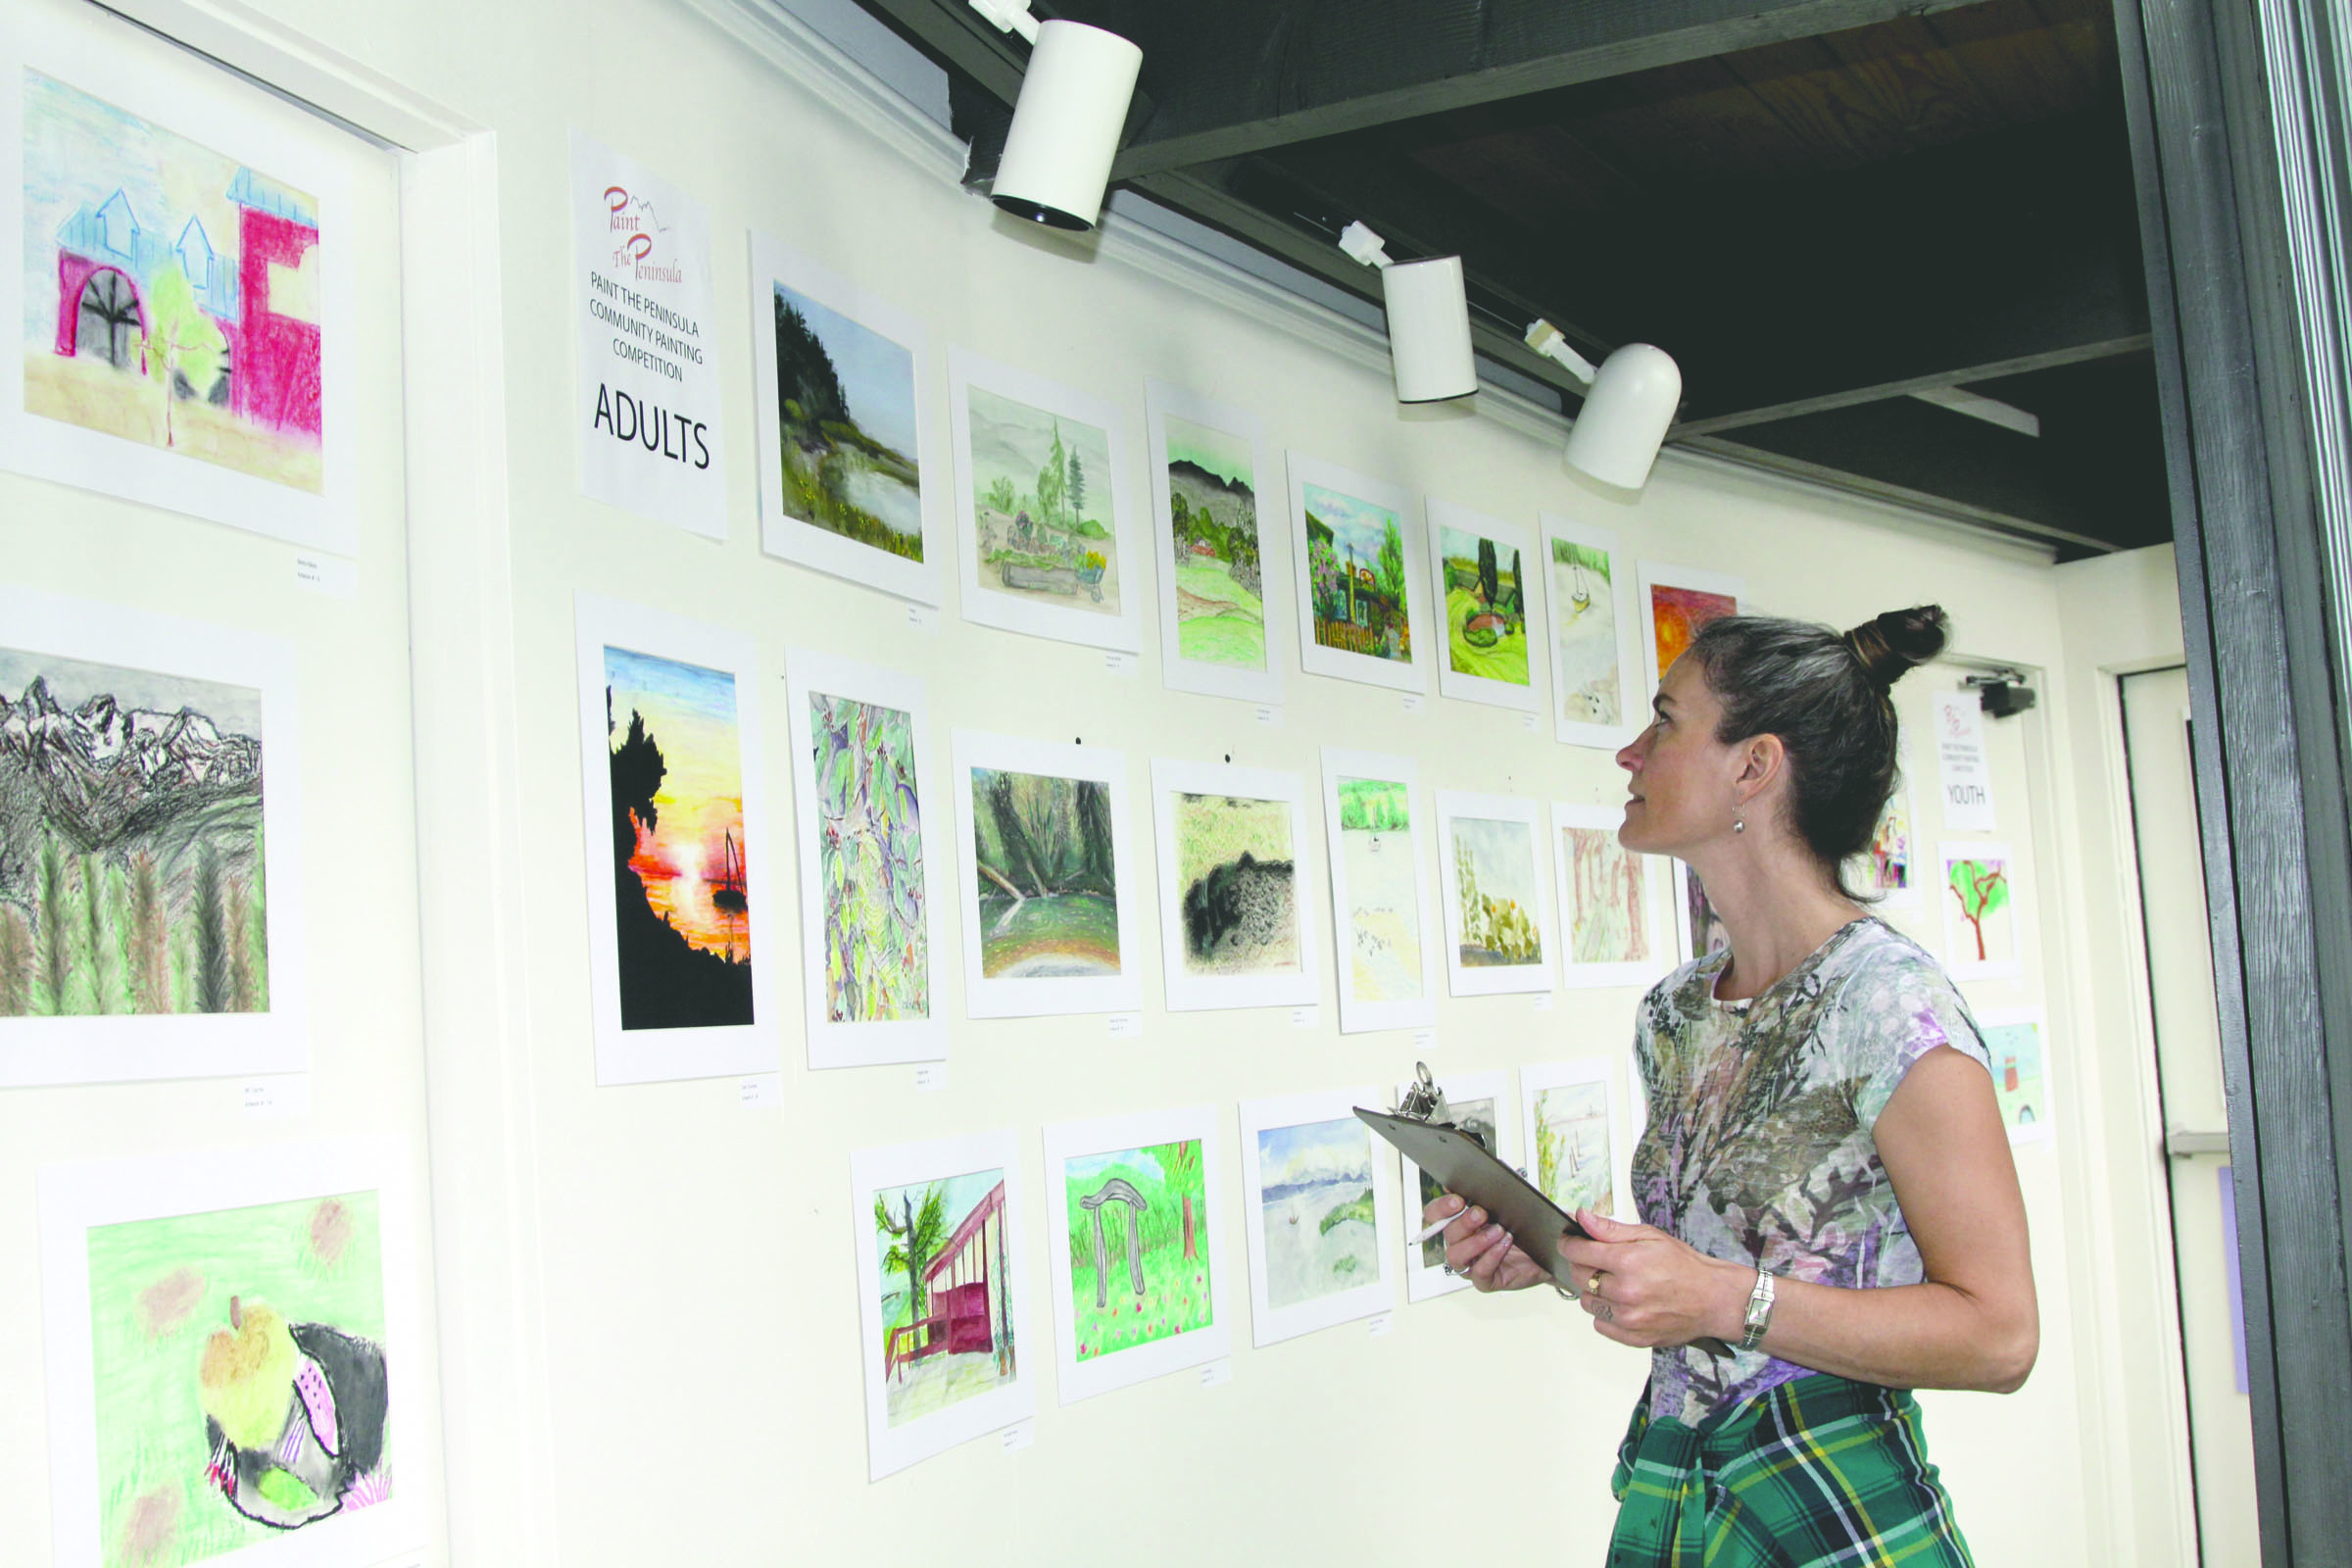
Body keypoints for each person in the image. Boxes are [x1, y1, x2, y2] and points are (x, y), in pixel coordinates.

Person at [1429, 606, 2035, 1567]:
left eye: (1665, 720)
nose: (1630, 752)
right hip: (1685, 1491)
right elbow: (1716, 1264)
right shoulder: (1674, 1014)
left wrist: (1722, 1299)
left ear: (1754, 766)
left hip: (1829, 1503)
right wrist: (1559, 1257)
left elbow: (2000, 1335)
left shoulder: (1890, 1009)